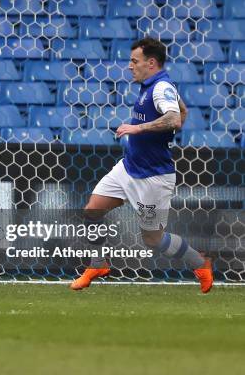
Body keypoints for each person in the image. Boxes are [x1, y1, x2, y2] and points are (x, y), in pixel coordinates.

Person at [70, 37, 213, 293]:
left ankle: (199, 262)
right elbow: (182, 110)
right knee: (91, 211)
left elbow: (174, 119)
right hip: (128, 167)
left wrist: (137, 128)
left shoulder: (160, 88)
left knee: (153, 239)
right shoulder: (154, 86)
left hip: (153, 179)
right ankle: (98, 264)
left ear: (151, 63)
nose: (129, 66)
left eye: (134, 61)